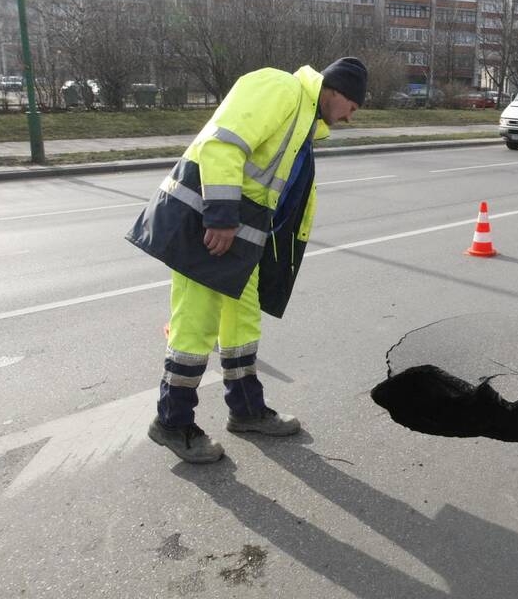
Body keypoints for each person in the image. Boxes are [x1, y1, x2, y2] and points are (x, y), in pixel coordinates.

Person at [126, 57, 368, 463]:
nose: (350, 118)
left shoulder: (304, 119)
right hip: (206, 226)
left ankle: (247, 410)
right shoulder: (280, 88)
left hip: (240, 235)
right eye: (353, 108)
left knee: (242, 321)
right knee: (194, 327)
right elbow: (224, 143)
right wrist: (220, 216)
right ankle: (172, 421)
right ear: (336, 91)